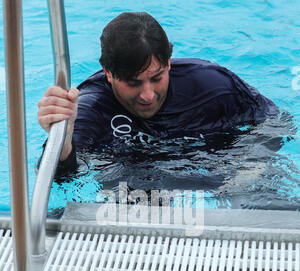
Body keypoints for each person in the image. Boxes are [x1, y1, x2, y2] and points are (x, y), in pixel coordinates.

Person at [37, 11, 279, 177]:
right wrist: (63, 144)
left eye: (157, 78)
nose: (148, 95)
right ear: (108, 73)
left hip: (223, 172)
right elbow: (59, 181)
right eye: (133, 83)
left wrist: (252, 165)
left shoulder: (213, 85)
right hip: (133, 188)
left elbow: (274, 121)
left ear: (169, 63)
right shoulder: (92, 109)